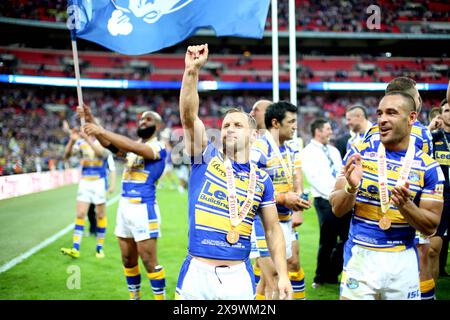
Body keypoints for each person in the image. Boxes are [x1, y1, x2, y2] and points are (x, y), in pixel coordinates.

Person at [176, 44, 292, 300]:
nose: (229, 128)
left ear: (253, 134)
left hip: (238, 276)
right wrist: (191, 71)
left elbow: (273, 230)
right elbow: (188, 116)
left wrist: (283, 274)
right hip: (196, 273)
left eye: (237, 125)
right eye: (226, 124)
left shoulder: (261, 179)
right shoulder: (203, 158)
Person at [330, 91, 444, 300]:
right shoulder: (358, 154)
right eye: (380, 113)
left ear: (411, 118)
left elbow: (431, 226)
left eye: (391, 113)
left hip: (403, 259)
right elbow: (337, 209)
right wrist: (351, 188)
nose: (382, 119)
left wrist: (406, 205)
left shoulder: (429, 167)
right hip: (360, 256)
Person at [80, 106, 167, 300]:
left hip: (143, 209)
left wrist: (100, 129)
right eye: (142, 119)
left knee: (149, 261)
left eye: (149, 120)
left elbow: (130, 145)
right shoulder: (131, 149)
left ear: (158, 126)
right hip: (124, 207)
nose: (143, 122)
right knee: (128, 260)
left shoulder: (157, 147)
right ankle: (134, 297)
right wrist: (91, 118)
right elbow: (108, 144)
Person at [251, 101, 311, 300]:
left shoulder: (291, 148)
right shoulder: (259, 148)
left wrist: (299, 199)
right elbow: (250, 188)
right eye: (291, 121)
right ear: (276, 123)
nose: (295, 126)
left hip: (284, 220)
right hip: (262, 222)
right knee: (275, 279)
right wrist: (283, 198)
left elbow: (296, 176)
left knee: (272, 278)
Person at [300, 119, 348, 288]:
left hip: (340, 198)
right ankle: (320, 277)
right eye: (328, 129)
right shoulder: (307, 152)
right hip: (324, 200)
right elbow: (314, 179)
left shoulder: (334, 151)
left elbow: (341, 174)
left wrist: (342, 194)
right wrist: (334, 195)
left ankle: (332, 273)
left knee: (346, 238)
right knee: (328, 240)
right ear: (318, 131)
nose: (331, 132)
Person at [61, 127, 111, 259]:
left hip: (99, 182)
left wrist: (87, 139)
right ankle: (75, 248)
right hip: (85, 182)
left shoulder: (103, 141)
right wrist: (72, 141)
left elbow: (101, 154)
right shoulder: (80, 143)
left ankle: (99, 248)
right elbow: (65, 156)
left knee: (100, 215)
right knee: (80, 213)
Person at [429, 99, 450, 281]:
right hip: (441, 199)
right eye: (447, 110)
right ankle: (430, 292)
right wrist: (430, 128)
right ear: (441, 115)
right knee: (433, 249)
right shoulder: (434, 138)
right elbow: (414, 145)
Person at [87, 153, 116, 236]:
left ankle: (100, 230)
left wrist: (112, 185)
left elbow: (112, 169)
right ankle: (92, 229)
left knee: (100, 210)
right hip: (88, 185)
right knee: (90, 210)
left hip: (101, 185)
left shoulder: (106, 154)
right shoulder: (88, 151)